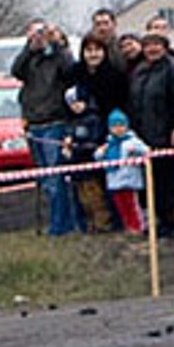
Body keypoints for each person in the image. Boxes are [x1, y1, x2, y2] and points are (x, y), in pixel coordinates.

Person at [11, 19, 79, 236]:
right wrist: (29, 47)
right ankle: (56, 221)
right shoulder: (31, 59)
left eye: (43, 33)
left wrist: (55, 44)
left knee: (56, 177)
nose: (40, 36)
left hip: (54, 121)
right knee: (45, 178)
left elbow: (70, 71)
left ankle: (62, 225)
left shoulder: (60, 57)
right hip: (34, 122)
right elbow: (16, 71)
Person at [65, 32, 129, 230]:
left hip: (108, 131)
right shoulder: (75, 73)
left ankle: (113, 221)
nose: (93, 54)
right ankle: (91, 221)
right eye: (89, 50)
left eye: (97, 50)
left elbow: (121, 105)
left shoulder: (115, 75)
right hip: (80, 134)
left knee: (108, 179)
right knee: (83, 181)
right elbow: (67, 102)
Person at [127, 30, 174, 238]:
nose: (152, 49)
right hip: (144, 134)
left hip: (166, 132)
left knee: (170, 180)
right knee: (151, 181)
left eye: (156, 44)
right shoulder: (139, 70)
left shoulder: (173, 68)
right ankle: (158, 220)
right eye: (148, 45)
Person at [98, 109, 151, 233]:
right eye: (114, 126)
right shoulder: (109, 143)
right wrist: (101, 151)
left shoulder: (132, 141)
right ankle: (128, 226)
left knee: (132, 204)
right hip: (114, 180)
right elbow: (97, 156)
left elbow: (146, 150)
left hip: (129, 180)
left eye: (121, 125)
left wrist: (137, 152)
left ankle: (138, 226)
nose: (118, 129)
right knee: (121, 205)